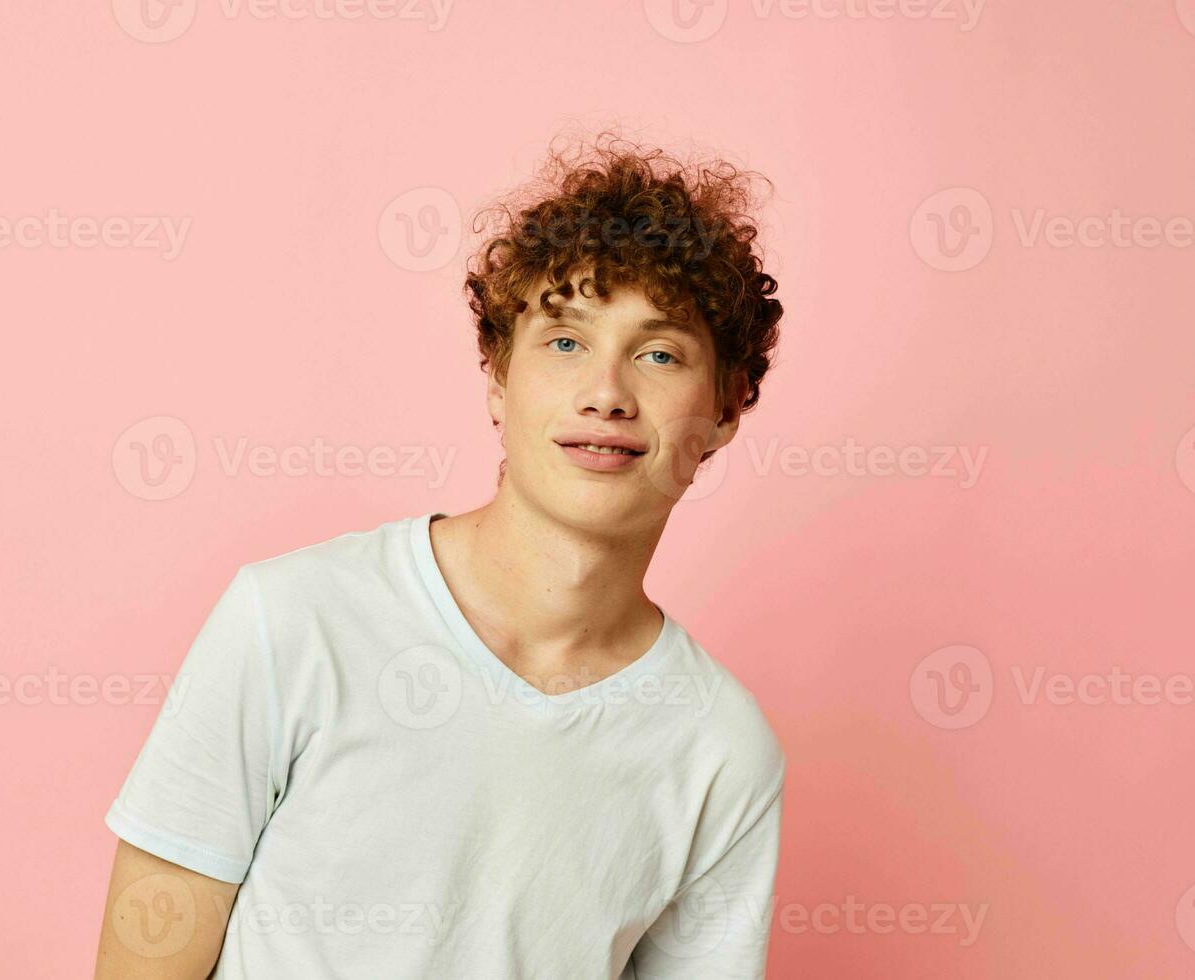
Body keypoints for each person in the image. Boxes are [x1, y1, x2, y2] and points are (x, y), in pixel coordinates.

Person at [93, 131, 787, 979]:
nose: (606, 394)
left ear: (724, 412)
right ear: (497, 381)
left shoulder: (721, 746)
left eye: (658, 353)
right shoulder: (293, 621)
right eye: (565, 342)